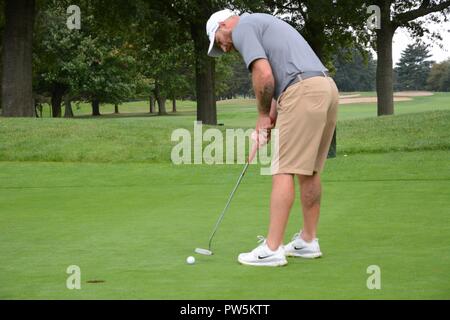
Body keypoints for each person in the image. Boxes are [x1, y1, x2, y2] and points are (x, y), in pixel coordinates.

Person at [206, 9, 339, 267]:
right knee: (308, 170)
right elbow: (282, 78)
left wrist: (261, 116)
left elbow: (265, 76)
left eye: (218, 40)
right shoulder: (264, 23)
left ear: (223, 24)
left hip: (302, 91)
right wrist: (271, 118)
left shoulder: (242, 27)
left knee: (283, 169)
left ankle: (272, 249)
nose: (223, 48)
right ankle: (308, 241)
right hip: (325, 89)